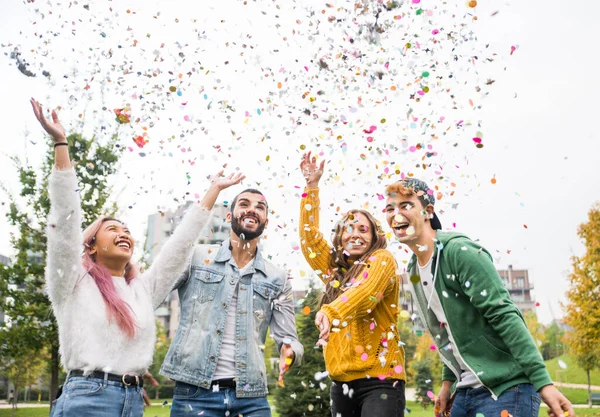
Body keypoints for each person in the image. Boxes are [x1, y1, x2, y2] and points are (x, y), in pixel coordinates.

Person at [31, 98, 244, 417]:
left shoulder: (142, 290)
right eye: (112, 229)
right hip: (87, 398)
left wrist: (213, 191)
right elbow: (64, 218)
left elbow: (178, 248)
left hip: (132, 401)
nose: (123, 234)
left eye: (127, 230)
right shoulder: (72, 282)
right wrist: (60, 142)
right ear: (90, 246)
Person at [384, 177, 575, 417]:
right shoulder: (413, 269)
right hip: (465, 390)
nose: (396, 214)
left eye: (405, 205)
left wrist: (543, 383)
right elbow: (446, 331)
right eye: (390, 208)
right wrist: (446, 384)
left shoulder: (460, 252)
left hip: (507, 386)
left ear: (428, 211)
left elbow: (505, 314)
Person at [161, 185, 304, 417]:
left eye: (260, 207)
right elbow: (154, 291)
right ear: (229, 216)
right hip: (195, 392)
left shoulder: (278, 278)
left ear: (266, 222)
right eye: (244, 204)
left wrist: (290, 351)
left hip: (251, 397)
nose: (252, 210)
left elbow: (290, 339)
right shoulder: (196, 257)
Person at [299, 152, 406, 417]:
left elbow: (365, 293)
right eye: (349, 228)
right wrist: (311, 187)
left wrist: (330, 312)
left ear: (373, 237)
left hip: (380, 381)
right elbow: (310, 239)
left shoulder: (383, 260)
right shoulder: (335, 270)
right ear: (340, 236)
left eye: (363, 230)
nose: (355, 235)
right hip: (341, 382)